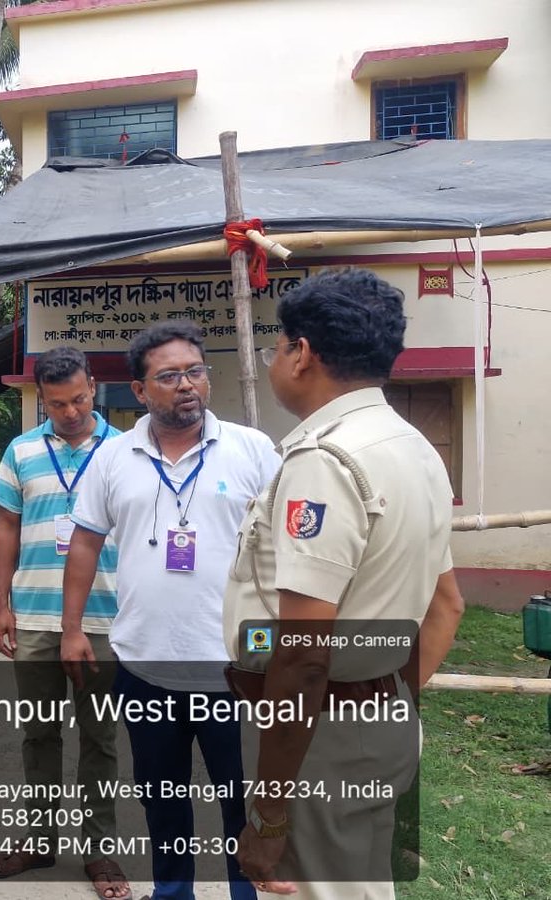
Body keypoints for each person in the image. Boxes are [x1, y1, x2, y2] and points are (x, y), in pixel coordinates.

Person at [224, 268, 465, 899]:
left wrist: (269, 815)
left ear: (301, 353)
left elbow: (303, 657)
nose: (276, 361)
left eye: (277, 347)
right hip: (376, 720)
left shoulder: (324, 461)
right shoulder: (413, 447)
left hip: (320, 739)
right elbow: (447, 606)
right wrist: (382, 698)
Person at [62, 322, 280, 900]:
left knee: (240, 798)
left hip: (237, 668)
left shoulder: (253, 449)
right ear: (139, 390)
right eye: (169, 376)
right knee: (162, 797)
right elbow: (84, 542)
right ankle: (173, 891)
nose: (187, 384)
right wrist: (71, 628)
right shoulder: (113, 457)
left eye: (195, 371)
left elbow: (287, 545)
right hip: (146, 665)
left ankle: (243, 894)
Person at [0, 346, 129, 900]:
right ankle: (40, 840)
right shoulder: (21, 450)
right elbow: (5, 528)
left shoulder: (125, 450)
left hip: (104, 619)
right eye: (57, 404)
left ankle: (100, 849)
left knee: (100, 737)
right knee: (39, 734)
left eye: (80, 400)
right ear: (41, 399)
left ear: (93, 387)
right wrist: (1, 605)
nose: (70, 412)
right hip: (35, 618)